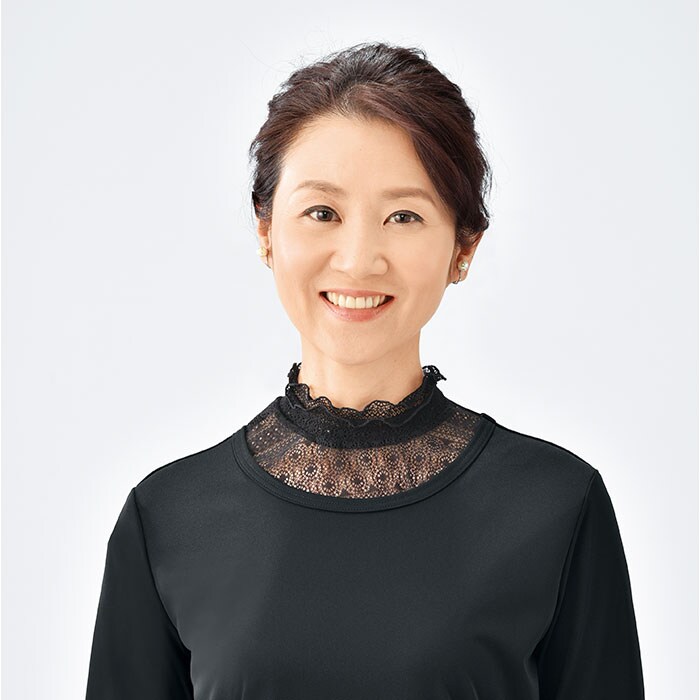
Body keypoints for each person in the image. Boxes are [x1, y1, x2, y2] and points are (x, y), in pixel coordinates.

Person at [85, 42, 645, 699]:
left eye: (403, 216)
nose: (357, 260)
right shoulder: (166, 519)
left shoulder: (555, 505)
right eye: (322, 213)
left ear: (463, 247)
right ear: (266, 233)